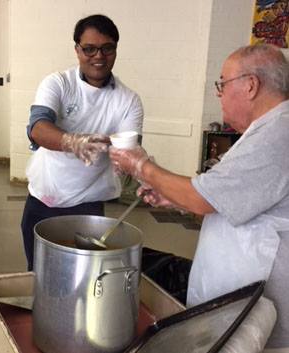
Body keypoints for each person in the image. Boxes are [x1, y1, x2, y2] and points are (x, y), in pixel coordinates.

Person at [109, 44, 289, 351]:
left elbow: (202, 198)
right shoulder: (266, 129)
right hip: (239, 299)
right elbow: (222, 195)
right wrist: (173, 199)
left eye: (222, 83)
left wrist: (140, 165)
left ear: (250, 85)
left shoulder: (279, 132)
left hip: (256, 308)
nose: (218, 93)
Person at [22, 14, 144, 270]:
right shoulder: (58, 83)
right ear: (77, 50)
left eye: (107, 48)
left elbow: (130, 147)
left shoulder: (128, 100)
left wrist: (138, 168)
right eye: (89, 49)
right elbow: (38, 128)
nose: (98, 56)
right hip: (44, 199)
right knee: (40, 276)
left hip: (88, 205)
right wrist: (72, 141)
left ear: (115, 49)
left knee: (84, 279)